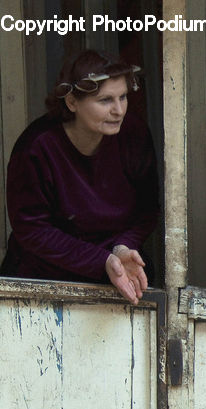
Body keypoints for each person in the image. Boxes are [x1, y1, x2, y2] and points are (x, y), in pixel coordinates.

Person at [0, 50, 158, 305]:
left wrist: (122, 247)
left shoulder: (134, 134)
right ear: (72, 102)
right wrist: (101, 261)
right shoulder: (37, 147)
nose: (119, 110)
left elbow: (148, 209)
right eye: (105, 100)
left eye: (123, 97)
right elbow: (32, 229)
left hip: (118, 275)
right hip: (44, 282)